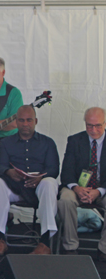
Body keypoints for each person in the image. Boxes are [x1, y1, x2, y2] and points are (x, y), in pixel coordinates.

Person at [0, 105, 59, 256]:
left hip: (39, 186)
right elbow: (0, 166)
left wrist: (41, 177)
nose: (25, 124)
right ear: (16, 122)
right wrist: (9, 171)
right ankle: (0, 240)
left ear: (36, 121)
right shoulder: (6, 143)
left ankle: (44, 243)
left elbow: (54, 169)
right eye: (21, 120)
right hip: (14, 185)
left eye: (29, 120)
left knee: (50, 183)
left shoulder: (48, 143)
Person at [58, 107, 106, 260]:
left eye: (98, 125)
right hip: (77, 186)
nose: (93, 130)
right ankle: (70, 246)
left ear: (105, 124)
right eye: (89, 125)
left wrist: (99, 191)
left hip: (102, 188)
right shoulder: (75, 140)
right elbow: (66, 172)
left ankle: (104, 249)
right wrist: (77, 188)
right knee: (65, 199)